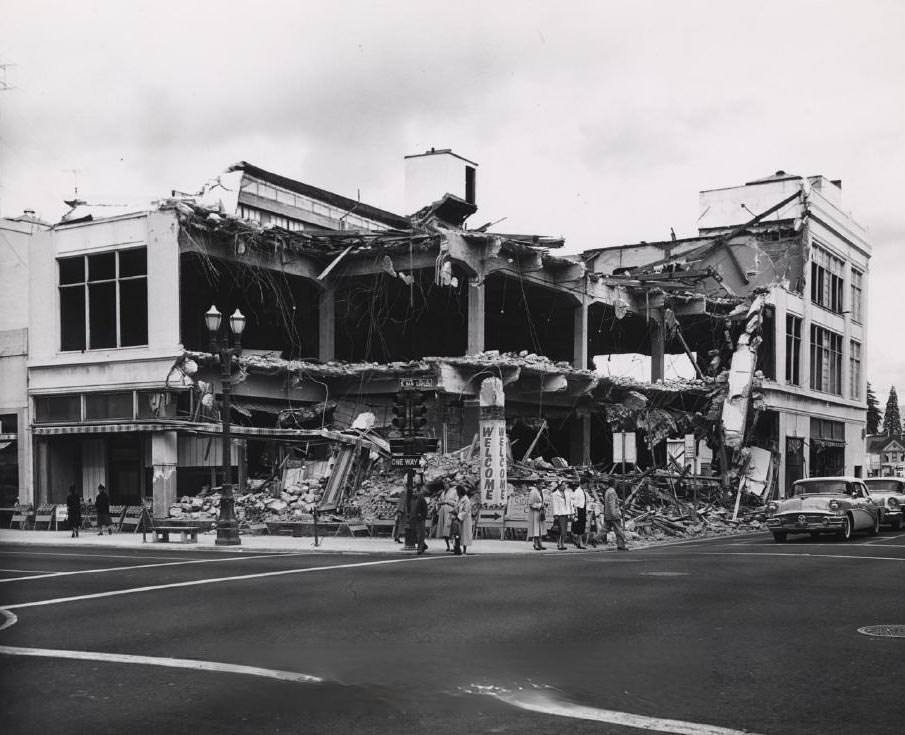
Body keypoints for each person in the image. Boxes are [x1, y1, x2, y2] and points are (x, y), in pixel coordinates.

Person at [602, 481, 629, 551]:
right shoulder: (612, 492)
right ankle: (621, 545)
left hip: (608, 514)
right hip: (613, 515)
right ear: (614, 484)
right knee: (619, 530)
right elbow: (612, 504)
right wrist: (614, 514)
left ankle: (595, 539)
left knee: (605, 529)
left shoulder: (607, 491)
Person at [435, 480, 458, 551]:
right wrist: (439, 505)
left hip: (449, 510)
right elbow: (439, 501)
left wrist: (447, 502)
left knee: (449, 528)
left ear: (449, 484)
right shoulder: (442, 493)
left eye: (446, 483)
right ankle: (447, 546)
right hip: (443, 511)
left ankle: (454, 545)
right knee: (444, 529)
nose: (445, 485)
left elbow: (456, 502)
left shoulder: (454, 492)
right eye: (444, 484)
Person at [550, 482, 573, 550]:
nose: (564, 487)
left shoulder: (567, 493)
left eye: (564, 485)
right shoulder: (555, 494)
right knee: (560, 530)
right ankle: (559, 543)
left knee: (564, 530)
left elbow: (569, 503)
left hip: (565, 513)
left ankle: (562, 543)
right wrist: (555, 514)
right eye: (562, 485)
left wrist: (571, 513)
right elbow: (554, 505)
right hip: (559, 514)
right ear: (559, 486)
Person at [452, 485, 473, 555]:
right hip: (459, 518)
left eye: (457, 491)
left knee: (465, 535)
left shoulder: (466, 500)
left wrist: (459, 517)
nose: (457, 493)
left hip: (465, 519)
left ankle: (464, 549)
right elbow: (456, 507)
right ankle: (457, 548)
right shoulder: (458, 499)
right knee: (456, 534)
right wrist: (454, 512)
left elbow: (466, 511)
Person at [568, 480, 588, 549]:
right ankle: (580, 542)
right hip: (579, 510)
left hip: (583, 509)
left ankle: (579, 542)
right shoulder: (577, 492)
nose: (586, 486)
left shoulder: (583, 491)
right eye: (585, 484)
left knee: (582, 526)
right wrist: (575, 514)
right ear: (582, 484)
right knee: (579, 527)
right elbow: (574, 503)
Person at [526, 484, 546, 551]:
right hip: (535, 512)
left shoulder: (541, 492)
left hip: (541, 512)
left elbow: (542, 501)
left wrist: (543, 506)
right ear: (537, 485)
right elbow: (530, 503)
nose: (541, 486)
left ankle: (540, 543)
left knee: (540, 529)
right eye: (540, 484)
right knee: (536, 528)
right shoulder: (533, 492)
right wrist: (538, 506)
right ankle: (535, 544)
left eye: (542, 485)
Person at [412, 485, 429, 554]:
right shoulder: (416, 499)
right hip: (416, 519)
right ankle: (423, 546)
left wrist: (421, 515)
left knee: (420, 534)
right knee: (418, 534)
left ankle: (420, 548)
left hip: (420, 519)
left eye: (416, 492)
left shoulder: (421, 499)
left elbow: (425, 510)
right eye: (414, 492)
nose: (415, 493)